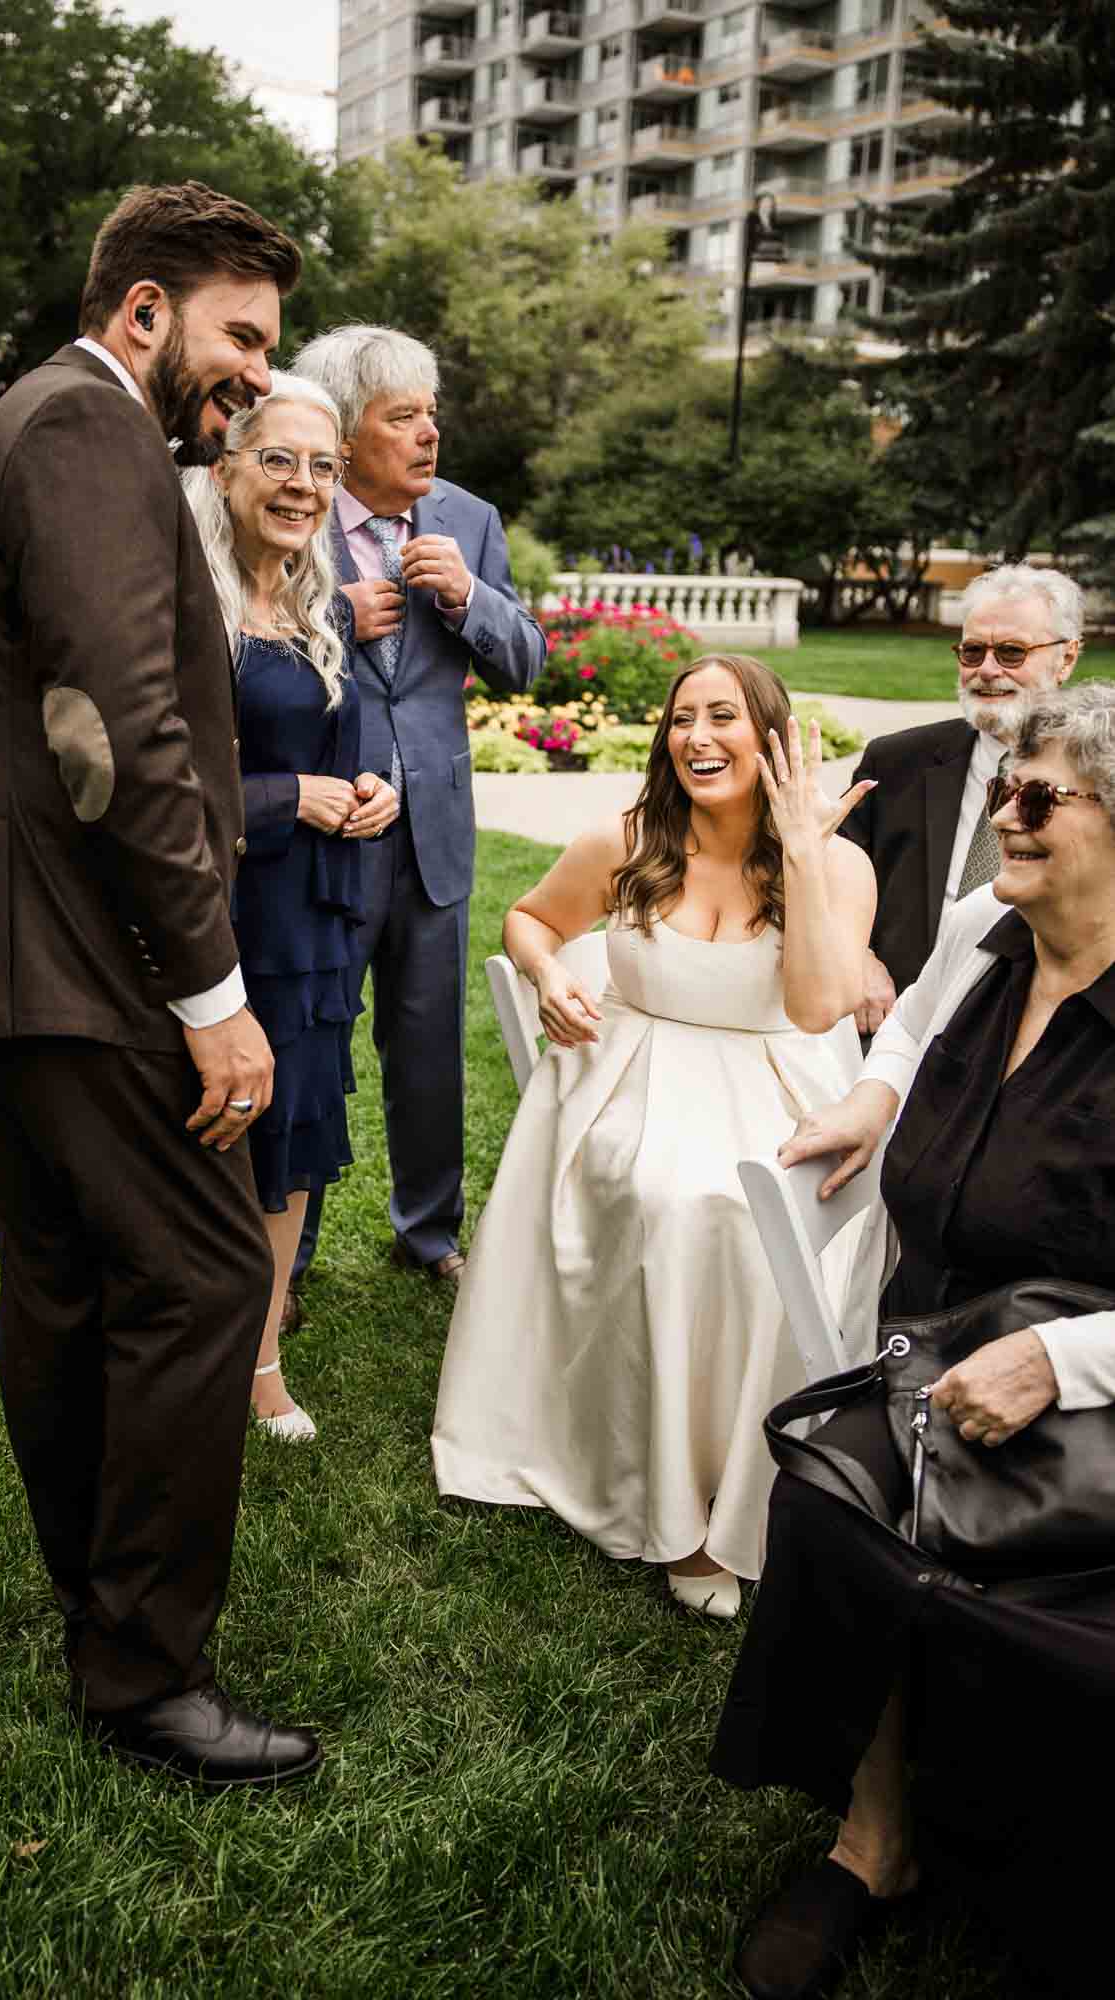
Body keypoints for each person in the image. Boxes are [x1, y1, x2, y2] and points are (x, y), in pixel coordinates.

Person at [0, 183, 324, 1790]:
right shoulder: (88, 432)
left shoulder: (53, 418)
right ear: (144, 314)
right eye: (242, 338)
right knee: (200, 1282)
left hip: (9, 950)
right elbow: (116, 731)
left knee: (65, 1274)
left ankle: (94, 1594)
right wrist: (212, 993)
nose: (258, 376)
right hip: (73, 952)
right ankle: (141, 1674)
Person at [713, 683, 1115, 1998]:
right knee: (831, 1495)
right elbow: (910, 1034)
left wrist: (1059, 1362)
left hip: (1093, 1379)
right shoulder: (984, 928)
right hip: (933, 1340)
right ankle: (870, 1839)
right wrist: (874, 1102)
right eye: (1008, 783)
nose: (1008, 808)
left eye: (1043, 794)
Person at [432, 656, 876, 1615]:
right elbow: (527, 920)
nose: (697, 738)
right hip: (633, 1079)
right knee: (684, 1205)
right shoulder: (626, 841)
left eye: (724, 718)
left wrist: (800, 852)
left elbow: (811, 1009)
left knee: (760, 1218)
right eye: (682, 719)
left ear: (771, 738)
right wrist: (549, 974)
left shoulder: (838, 864)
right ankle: (672, 1503)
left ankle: (746, 1477)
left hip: (776, 1082)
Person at [285, 325, 546, 1313]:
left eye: (431, 412)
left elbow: (524, 658)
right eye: (404, 417)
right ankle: (288, 1246)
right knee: (310, 1038)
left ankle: (428, 1230)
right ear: (346, 434)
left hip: (432, 830)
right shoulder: (290, 513)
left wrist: (469, 596)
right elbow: (237, 653)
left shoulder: (468, 520)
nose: (428, 433)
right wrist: (340, 616)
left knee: (428, 1045)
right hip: (322, 830)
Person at [181, 375, 398, 1441]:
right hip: (216, 916)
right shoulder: (189, 610)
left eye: (322, 466)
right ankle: (185, 1345)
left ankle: (261, 1358)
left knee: (294, 1138)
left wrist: (366, 788)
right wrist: (285, 798)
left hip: (314, 924)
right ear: (224, 471)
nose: (302, 484)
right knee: (207, 1137)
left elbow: (335, 750)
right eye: (278, 459)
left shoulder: (323, 610)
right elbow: (163, 779)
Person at [841, 564, 1082, 1034]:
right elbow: (827, 880)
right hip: (896, 1023)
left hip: (1040, 1036)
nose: (987, 669)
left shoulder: (1097, 781)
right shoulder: (894, 764)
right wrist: (858, 957)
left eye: (1012, 653)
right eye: (972, 651)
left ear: (1066, 658)